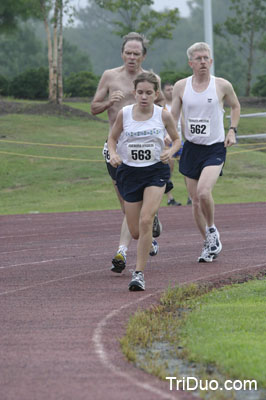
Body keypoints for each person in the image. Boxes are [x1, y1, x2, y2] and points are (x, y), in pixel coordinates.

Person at [91, 32, 164, 274]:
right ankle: (146, 227)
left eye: (136, 53)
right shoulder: (110, 76)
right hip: (117, 151)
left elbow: (162, 108)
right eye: (128, 53)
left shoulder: (152, 80)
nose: (131, 57)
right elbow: (93, 108)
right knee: (126, 205)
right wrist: (109, 102)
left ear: (144, 55)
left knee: (135, 205)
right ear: (122, 53)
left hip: (145, 154)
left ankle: (122, 251)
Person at [108, 72, 181, 290]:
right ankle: (152, 221)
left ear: (156, 94)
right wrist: (113, 154)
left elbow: (177, 140)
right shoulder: (125, 114)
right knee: (137, 231)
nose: (144, 96)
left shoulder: (163, 115)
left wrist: (171, 151)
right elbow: (112, 138)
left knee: (145, 219)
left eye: (149, 93)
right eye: (140, 92)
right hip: (130, 173)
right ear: (134, 93)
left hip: (154, 172)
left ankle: (138, 273)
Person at [171, 42, 240, 262]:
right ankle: (208, 244)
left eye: (206, 58)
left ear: (211, 61)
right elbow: (173, 115)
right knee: (195, 200)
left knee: (203, 192)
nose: (203, 62)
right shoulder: (181, 86)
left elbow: (235, 106)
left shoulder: (221, 85)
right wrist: (169, 136)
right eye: (198, 59)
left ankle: (211, 229)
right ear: (190, 63)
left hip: (215, 148)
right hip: (191, 148)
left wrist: (232, 131)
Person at [162, 81, 192, 206]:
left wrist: (188, 138)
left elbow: (183, 121)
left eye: (172, 89)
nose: (170, 91)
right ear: (163, 91)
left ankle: (191, 196)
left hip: (179, 140)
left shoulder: (178, 103)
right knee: (169, 170)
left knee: (187, 169)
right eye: (168, 89)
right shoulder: (161, 106)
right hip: (167, 142)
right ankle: (170, 198)